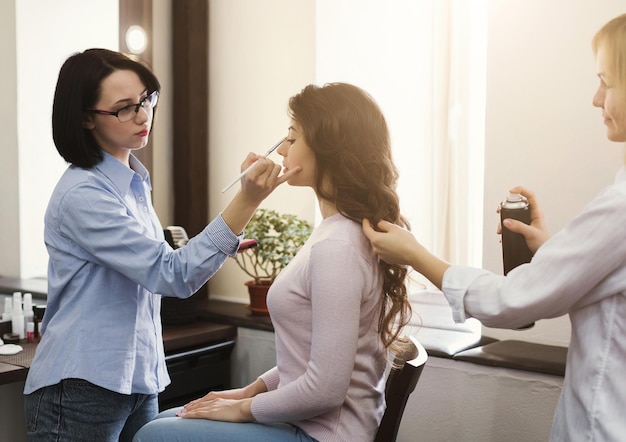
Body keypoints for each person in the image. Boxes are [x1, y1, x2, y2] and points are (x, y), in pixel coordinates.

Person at [362, 13, 626, 442]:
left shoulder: (620, 207)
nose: (597, 99)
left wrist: (417, 256)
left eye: (607, 81)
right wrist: (550, 251)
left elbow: (512, 301)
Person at [23, 48, 298, 442]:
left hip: (139, 378)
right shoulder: (84, 193)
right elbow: (173, 275)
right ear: (85, 118)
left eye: (146, 99)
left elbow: (163, 265)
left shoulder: (132, 182)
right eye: (123, 108)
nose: (142, 115)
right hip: (84, 382)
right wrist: (248, 199)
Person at [133, 82, 412, 442]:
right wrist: (250, 391)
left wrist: (242, 409)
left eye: (292, 138)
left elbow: (324, 387)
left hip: (323, 434)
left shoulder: (338, 247)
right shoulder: (334, 232)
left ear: (329, 149)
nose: (281, 148)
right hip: (308, 423)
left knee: (151, 436)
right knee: (163, 421)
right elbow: (309, 361)